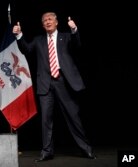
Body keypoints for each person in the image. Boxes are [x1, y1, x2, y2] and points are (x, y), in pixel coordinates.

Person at [12, 12, 96, 162]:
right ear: (42, 25)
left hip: (65, 82)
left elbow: (77, 44)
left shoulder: (66, 37)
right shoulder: (38, 40)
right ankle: (46, 152)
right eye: (44, 20)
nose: (47, 21)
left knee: (73, 117)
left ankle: (86, 149)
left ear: (56, 22)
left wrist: (74, 29)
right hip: (46, 84)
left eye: (50, 19)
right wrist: (19, 35)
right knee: (46, 120)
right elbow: (26, 49)